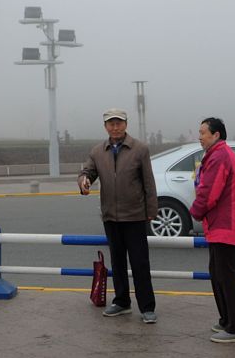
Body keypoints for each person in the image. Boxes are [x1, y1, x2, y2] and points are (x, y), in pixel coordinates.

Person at [77, 108, 158, 324]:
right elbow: (88, 173)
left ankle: (147, 306)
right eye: (111, 123)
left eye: (119, 123)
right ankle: (121, 302)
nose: (115, 127)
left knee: (140, 262)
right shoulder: (97, 151)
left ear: (126, 124)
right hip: (111, 216)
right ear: (105, 127)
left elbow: (149, 183)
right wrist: (83, 181)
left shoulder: (140, 149)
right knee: (118, 261)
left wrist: (151, 211)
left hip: (135, 216)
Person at [190, 116, 235, 343]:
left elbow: (209, 192)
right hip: (219, 225)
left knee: (226, 276)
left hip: (225, 225)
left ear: (216, 135)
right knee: (218, 273)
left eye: (203, 132)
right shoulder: (216, 155)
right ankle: (227, 320)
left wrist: (194, 211)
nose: (200, 137)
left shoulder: (220, 156)